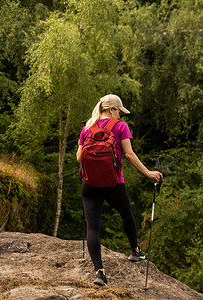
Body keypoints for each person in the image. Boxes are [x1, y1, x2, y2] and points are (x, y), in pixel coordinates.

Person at [76, 94, 163, 286]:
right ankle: (135, 251)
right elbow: (129, 155)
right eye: (119, 112)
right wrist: (148, 173)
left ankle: (100, 273)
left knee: (93, 228)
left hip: (89, 185)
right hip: (114, 183)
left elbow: (79, 158)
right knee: (126, 213)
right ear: (112, 110)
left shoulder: (88, 127)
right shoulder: (120, 127)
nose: (120, 116)